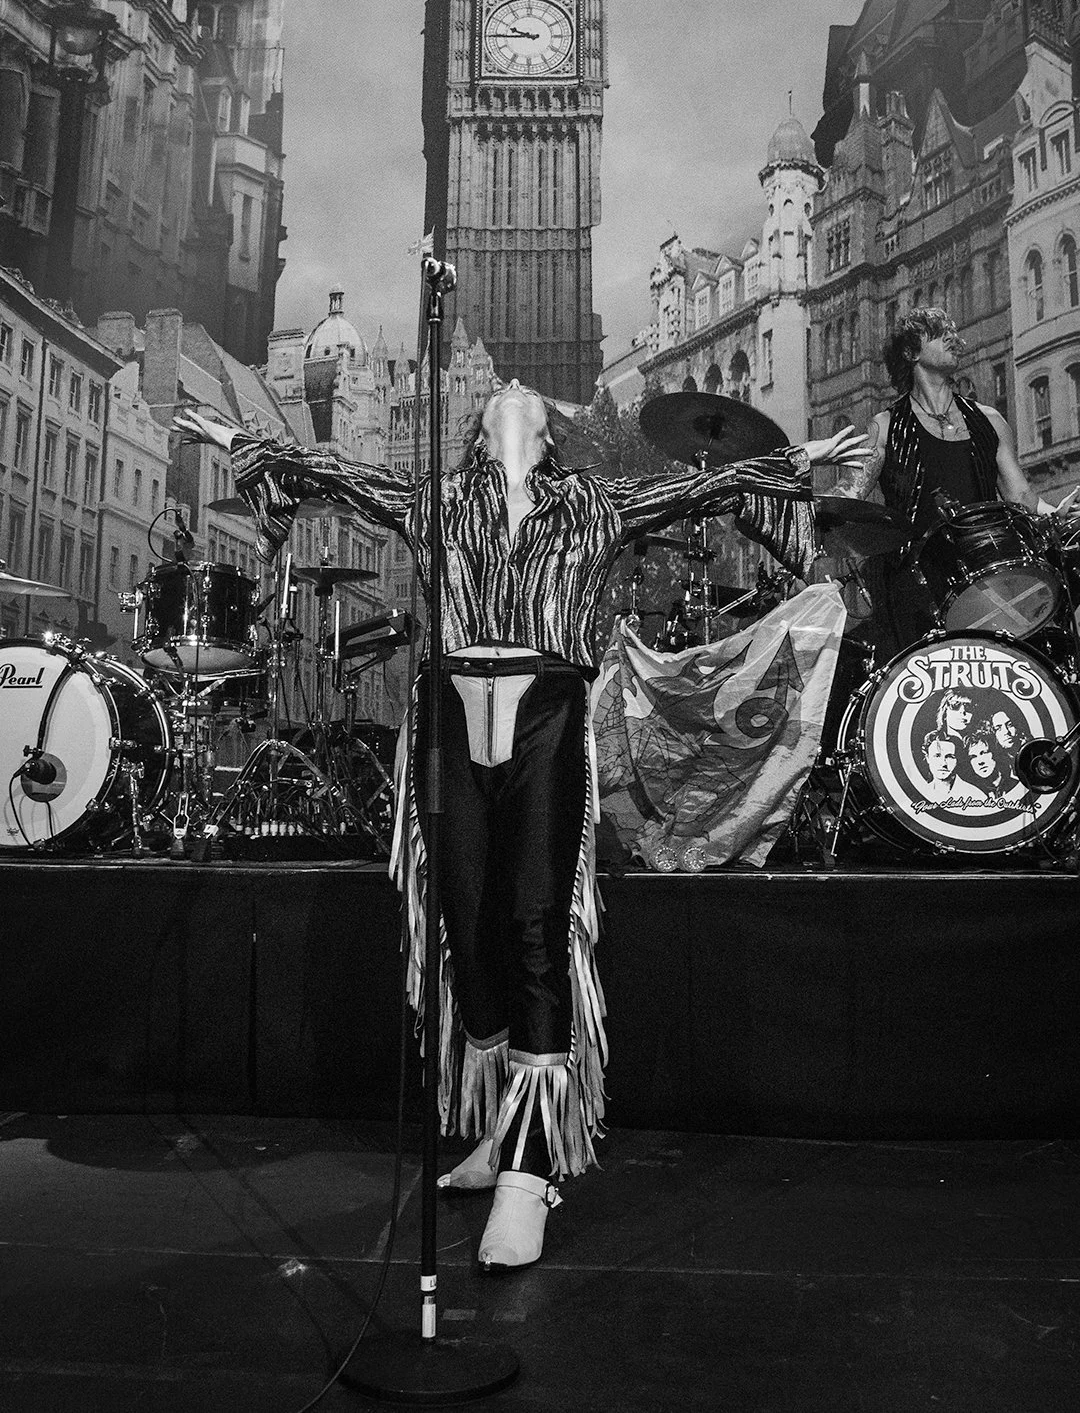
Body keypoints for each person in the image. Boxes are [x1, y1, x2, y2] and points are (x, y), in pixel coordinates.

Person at [176, 386, 868, 1269]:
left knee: (536, 925)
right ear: (479, 427)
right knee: (467, 927)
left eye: (527, 397)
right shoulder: (434, 498)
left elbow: (696, 490)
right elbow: (329, 473)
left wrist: (795, 460)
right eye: (496, 393)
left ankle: (531, 1170)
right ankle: (499, 1128)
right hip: (448, 714)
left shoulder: (593, 500)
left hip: (545, 714)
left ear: (545, 434)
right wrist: (241, 436)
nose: (511, 390)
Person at [837, 306, 1077, 652]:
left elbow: (1020, 495)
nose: (953, 335)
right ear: (910, 352)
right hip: (915, 584)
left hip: (988, 573)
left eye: (953, 328)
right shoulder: (885, 427)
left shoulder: (990, 420)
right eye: (937, 331)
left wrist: (1055, 514)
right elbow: (848, 497)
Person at [963, 723, 1027, 805]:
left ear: (994, 753)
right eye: (973, 757)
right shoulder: (971, 793)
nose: (980, 762)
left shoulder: (1015, 786)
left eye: (983, 753)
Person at [919, 732, 986, 806]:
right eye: (937, 756)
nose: (944, 763)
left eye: (950, 756)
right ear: (927, 758)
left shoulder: (976, 796)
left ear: (957, 760)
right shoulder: (921, 794)